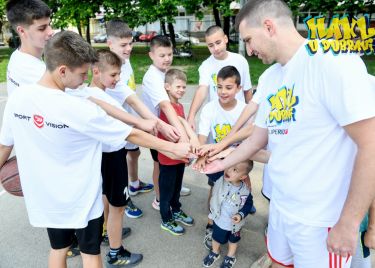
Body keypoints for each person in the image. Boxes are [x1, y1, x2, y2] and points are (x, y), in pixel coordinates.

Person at [203, 0, 375, 267]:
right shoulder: (272, 77)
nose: (249, 50)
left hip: (320, 219)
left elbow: (371, 145)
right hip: (282, 209)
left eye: (249, 40)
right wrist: (221, 161)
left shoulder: (332, 63)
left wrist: (350, 223)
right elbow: (258, 138)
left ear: (269, 26)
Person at [0, 31, 191, 268]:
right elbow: (129, 133)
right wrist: (172, 149)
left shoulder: (18, 99)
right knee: (91, 254)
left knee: (58, 250)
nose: (85, 79)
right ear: (62, 71)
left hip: (47, 198)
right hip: (80, 199)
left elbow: (4, 146)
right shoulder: (76, 107)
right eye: (82, 73)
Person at [66, 49, 158, 267]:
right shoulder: (95, 97)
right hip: (112, 157)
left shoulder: (90, 93)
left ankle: (109, 235)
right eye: (114, 75)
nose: (118, 79)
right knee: (118, 206)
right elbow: (126, 127)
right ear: (96, 72)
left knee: (107, 199)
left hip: (103, 157)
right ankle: (116, 253)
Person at [193, 66, 251, 250]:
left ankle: (237, 218)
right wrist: (201, 155)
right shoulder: (210, 108)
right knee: (215, 189)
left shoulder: (245, 110)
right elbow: (202, 135)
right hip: (216, 159)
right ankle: (212, 222)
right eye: (219, 87)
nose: (223, 92)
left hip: (240, 159)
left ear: (238, 88)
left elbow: (250, 139)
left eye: (228, 87)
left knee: (242, 188)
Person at [105, 19, 156, 219]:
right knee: (117, 167)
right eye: (123, 45)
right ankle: (124, 198)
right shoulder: (110, 68)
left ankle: (134, 184)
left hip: (130, 121)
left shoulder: (126, 62)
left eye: (130, 43)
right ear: (110, 44)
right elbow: (129, 101)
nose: (129, 49)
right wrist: (147, 121)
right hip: (117, 126)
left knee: (133, 154)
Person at [141, 35, 191, 210]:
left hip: (164, 126)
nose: (167, 59)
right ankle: (159, 197)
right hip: (156, 128)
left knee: (166, 165)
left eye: (169, 54)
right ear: (151, 55)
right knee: (160, 165)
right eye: (162, 55)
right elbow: (166, 106)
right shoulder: (153, 77)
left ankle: (169, 190)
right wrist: (186, 140)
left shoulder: (163, 73)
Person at [187, 25, 252, 130]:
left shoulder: (240, 60)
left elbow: (247, 90)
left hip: (239, 118)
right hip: (217, 120)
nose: (215, 48)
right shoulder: (206, 65)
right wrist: (191, 116)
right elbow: (202, 90)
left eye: (218, 43)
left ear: (225, 39)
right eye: (210, 45)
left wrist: (252, 116)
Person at [157, 68, 197, 235]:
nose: (181, 90)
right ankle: (166, 219)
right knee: (166, 190)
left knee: (177, 187)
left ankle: (176, 209)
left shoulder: (179, 105)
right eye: (178, 87)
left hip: (179, 157)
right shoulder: (165, 106)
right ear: (167, 86)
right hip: (168, 157)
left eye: (184, 87)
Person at [202, 160, 254, 268]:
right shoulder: (220, 179)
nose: (229, 170)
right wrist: (202, 160)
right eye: (229, 166)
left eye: (235, 170)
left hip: (235, 225)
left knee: (233, 241)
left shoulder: (245, 190)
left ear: (243, 177)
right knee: (216, 238)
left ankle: (231, 256)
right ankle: (215, 252)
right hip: (220, 220)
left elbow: (248, 204)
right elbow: (209, 168)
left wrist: (241, 215)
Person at [6, 0, 53, 97]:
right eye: (42, 28)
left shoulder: (17, 56)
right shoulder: (36, 72)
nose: (50, 32)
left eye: (49, 24)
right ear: (22, 31)